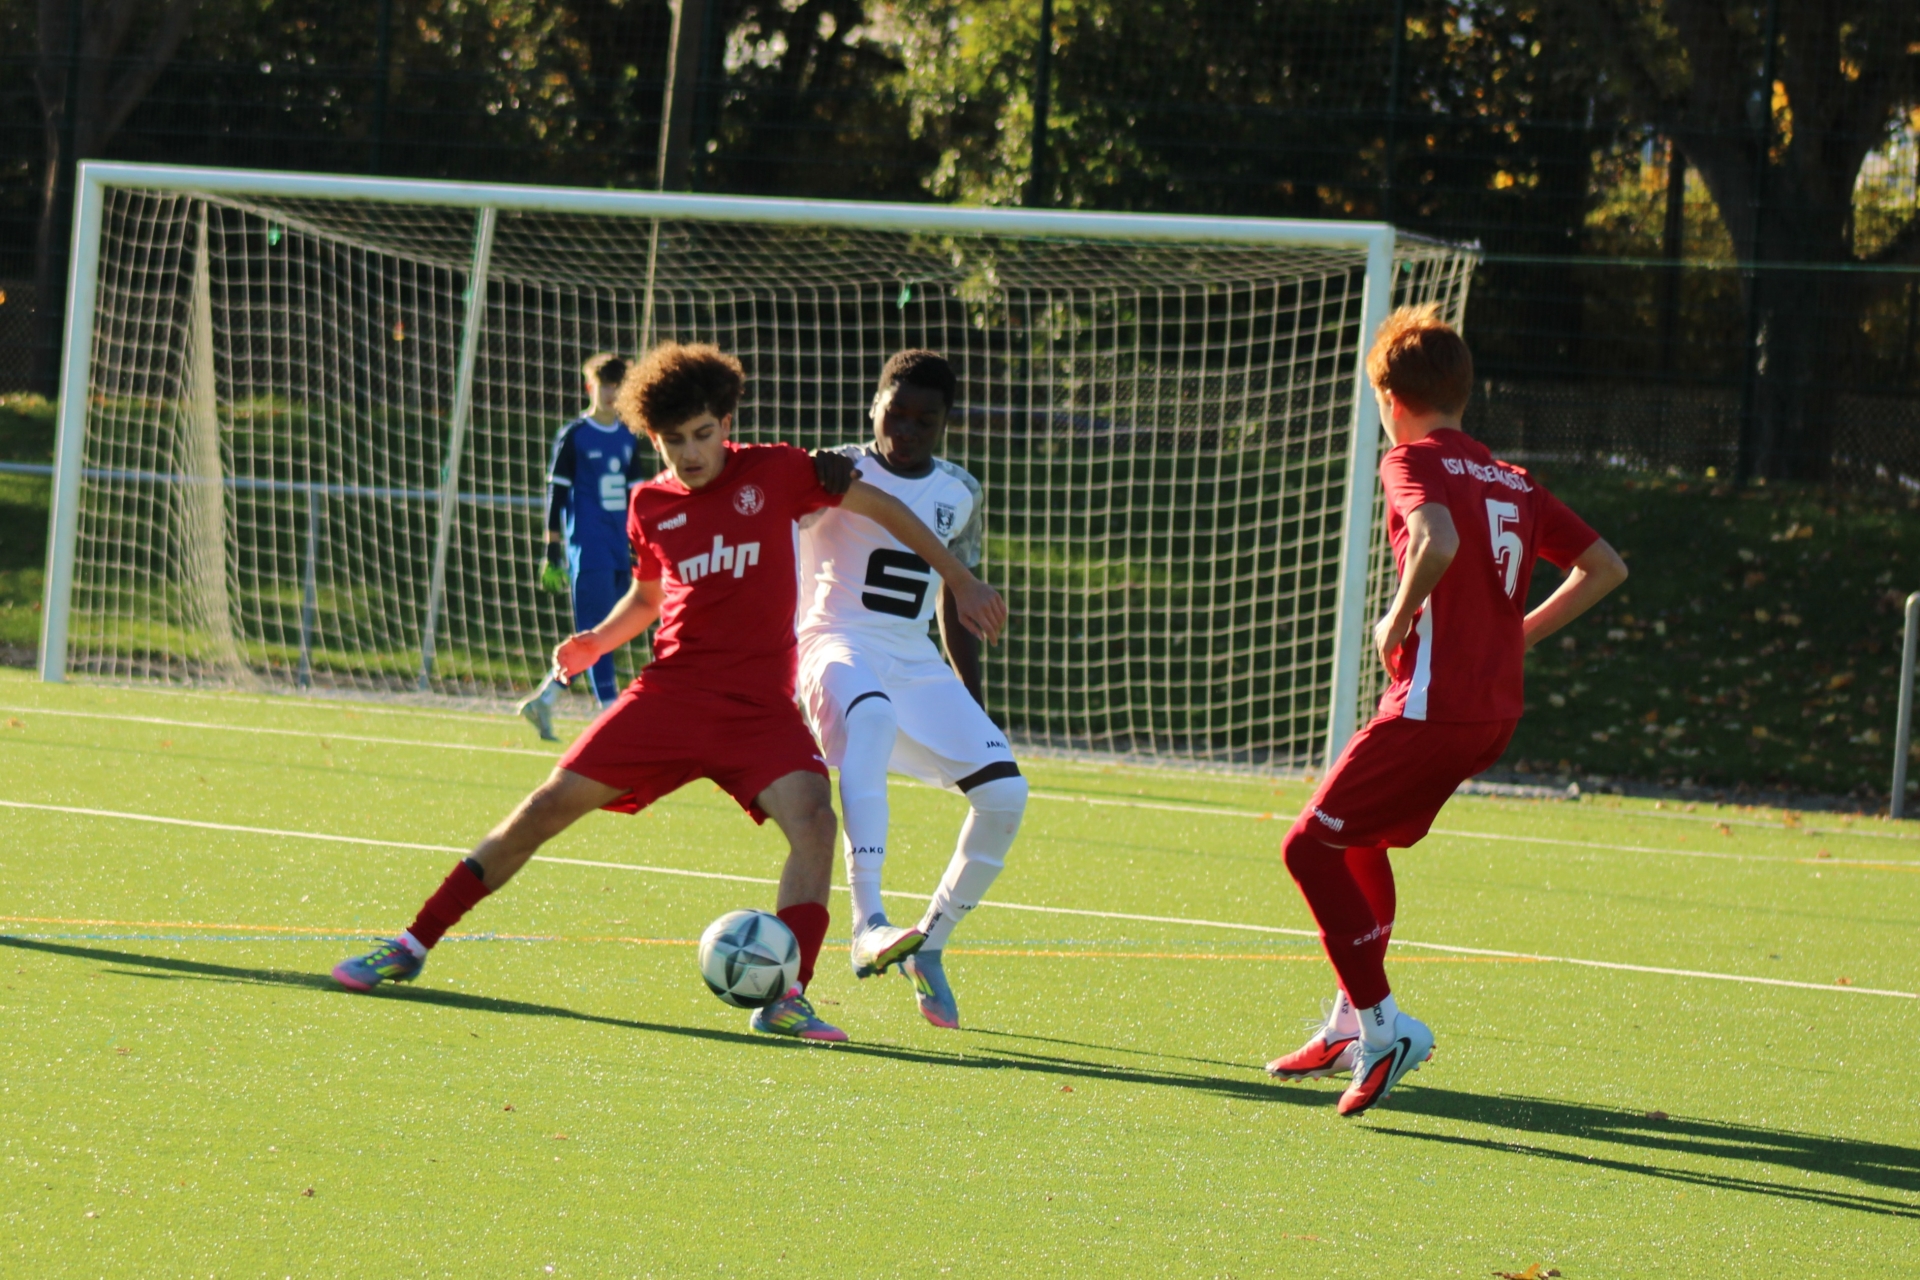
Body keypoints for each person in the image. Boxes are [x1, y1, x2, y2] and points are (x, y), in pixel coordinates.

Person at [333, 343, 1009, 1045]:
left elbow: (887, 508)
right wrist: (597, 641)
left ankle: (787, 997)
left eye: (703, 434)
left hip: (759, 710)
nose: (690, 454)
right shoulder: (649, 504)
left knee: (814, 821)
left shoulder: (776, 471)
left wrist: (960, 581)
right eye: (672, 440)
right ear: (652, 439)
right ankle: (411, 943)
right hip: (671, 698)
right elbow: (649, 595)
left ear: (726, 424)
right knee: (544, 807)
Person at [1265, 305, 1626, 1115]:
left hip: (1433, 705)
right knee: (1355, 842)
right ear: (1463, 393)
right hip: (1489, 710)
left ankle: (1384, 1028)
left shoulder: (1411, 460)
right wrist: (1517, 636)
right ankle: (1348, 1026)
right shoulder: (1512, 479)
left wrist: (1394, 619)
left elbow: (1437, 540)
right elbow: (1605, 567)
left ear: (1389, 399)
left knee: (1307, 849)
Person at [795, 350, 1025, 1029]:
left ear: (946, 422)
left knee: (1006, 794)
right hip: (832, 641)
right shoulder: (833, 468)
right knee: (869, 717)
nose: (908, 429)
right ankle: (867, 921)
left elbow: (954, 596)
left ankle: (930, 945)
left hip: (912, 657)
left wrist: (970, 700)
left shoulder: (961, 489)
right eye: (896, 413)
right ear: (874, 405)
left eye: (926, 419)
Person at [517, 353, 649, 741]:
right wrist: (552, 550)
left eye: (617, 386)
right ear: (590, 387)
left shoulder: (628, 436)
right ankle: (612, 717)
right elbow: (556, 495)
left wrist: (640, 545)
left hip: (621, 548)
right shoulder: (575, 435)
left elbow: (637, 497)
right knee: (597, 632)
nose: (611, 393)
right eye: (604, 385)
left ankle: (546, 698)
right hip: (588, 547)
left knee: (609, 631)